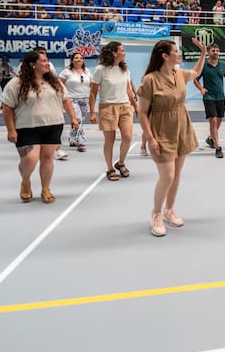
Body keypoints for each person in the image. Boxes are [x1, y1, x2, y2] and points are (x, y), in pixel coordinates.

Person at [137, 38, 206, 237]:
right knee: (167, 174)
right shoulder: (150, 80)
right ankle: (156, 213)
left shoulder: (179, 74)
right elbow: (142, 113)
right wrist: (150, 138)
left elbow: (196, 73)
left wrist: (202, 54)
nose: (179, 53)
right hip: (161, 128)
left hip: (181, 125)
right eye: (176, 51)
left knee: (176, 173)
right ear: (165, 56)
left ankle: (170, 210)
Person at [1, 50, 79, 204]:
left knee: (47, 158)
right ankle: (26, 180)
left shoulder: (55, 82)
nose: (47, 63)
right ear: (32, 64)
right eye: (43, 60)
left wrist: (73, 118)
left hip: (53, 125)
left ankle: (45, 188)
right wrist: (11, 129)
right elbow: (7, 107)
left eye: (46, 60)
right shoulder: (16, 83)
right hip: (26, 127)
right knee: (30, 158)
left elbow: (66, 100)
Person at [88, 42, 138, 181]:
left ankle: (120, 162)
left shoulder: (125, 70)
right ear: (114, 53)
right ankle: (110, 168)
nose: (125, 52)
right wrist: (92, 112)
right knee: (109, 140)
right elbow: (93, 93)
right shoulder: (100, 69)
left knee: (127, 137)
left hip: (125, 106)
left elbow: (128, 91)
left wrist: (136, 106)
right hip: (107, 107)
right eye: (122, 50)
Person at [193, 44, 225, 158]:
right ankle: (218, 147)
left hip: (220, 97)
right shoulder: (203, 65)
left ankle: (211, 138)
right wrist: (201, 88)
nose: (216, 52)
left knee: (219, 119)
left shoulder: (223, 65)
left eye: (217, 50)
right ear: (208, 52)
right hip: (208, 97)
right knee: (213, 120)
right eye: (213, 51)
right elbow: (195, 79)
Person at [59, 52, 92, 152]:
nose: (79, 59)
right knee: (77, 119)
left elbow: (91, 84)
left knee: (80, 119)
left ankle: (72, 139)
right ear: (72, 60)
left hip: (84, 98)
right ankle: (80, 141)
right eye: (76, 58)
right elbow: (59, 83)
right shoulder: (66, 72)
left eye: (81, 58)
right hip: (71, 98)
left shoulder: (87, 71)